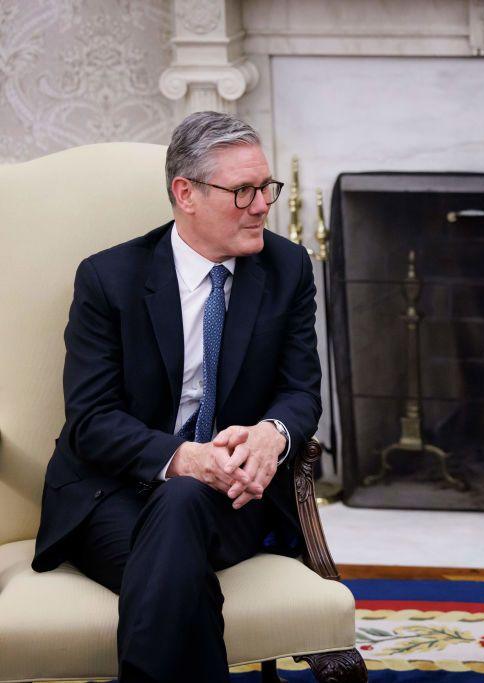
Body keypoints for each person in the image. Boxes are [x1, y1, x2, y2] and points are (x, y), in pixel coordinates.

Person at [31, 111, 322, 682]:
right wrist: (183, 459)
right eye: (243, 191)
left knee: (185, 507)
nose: (263, 205)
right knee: (182, 546)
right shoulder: (108, 279)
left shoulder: (287, 269)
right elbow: (89, 421)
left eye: (266, 187)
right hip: (108, 495)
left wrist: (273, 433)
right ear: (185, 193)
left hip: (234, 498)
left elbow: (301, 390)